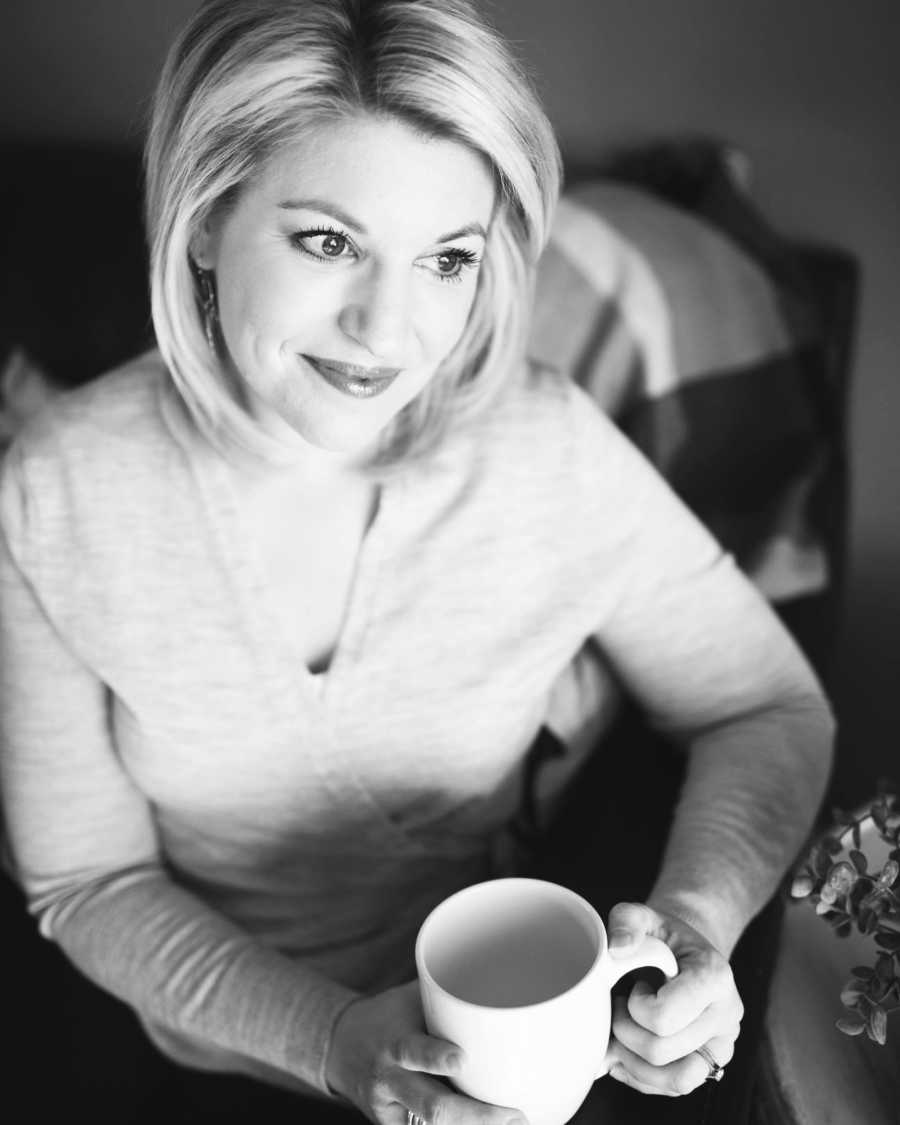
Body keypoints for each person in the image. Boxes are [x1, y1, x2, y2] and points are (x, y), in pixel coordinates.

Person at [0, 2, 834, 1123]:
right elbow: (88, 880)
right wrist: (328, 1041)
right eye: (327, 241)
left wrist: (694, 921)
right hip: (219, 1055)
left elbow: (768, 706)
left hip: (523, 1045)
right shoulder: (56, 489)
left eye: (446, 259)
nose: (388, 332)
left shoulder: (545, 449)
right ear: (206, 221)